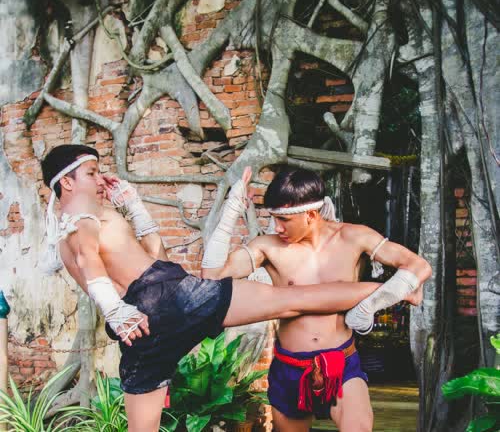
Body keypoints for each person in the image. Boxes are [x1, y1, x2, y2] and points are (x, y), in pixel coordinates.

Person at [40, 145, 387, 432]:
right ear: (66, 183)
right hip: (164, 300)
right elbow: (89, 257)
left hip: (141, 326)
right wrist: (113, 308)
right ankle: (389, 290)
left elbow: (156, 261)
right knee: (291, 300)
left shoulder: (64, 235)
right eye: (91, 173)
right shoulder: (83, 207)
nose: (101, 180)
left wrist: (134, 206)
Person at [201, 167, 431, 432]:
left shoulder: (353, 237)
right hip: (290, 368)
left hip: (341, 364)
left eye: (283, 219)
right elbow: (212, 276)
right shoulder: (268, 247)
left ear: (310, 215)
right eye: (274, 218)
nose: (277, 227)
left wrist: (372, 305)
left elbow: (418, 266)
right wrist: (231, 209)